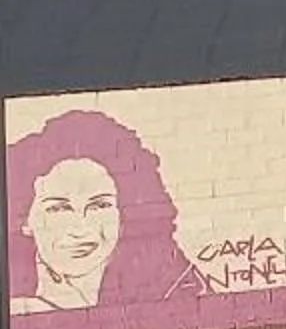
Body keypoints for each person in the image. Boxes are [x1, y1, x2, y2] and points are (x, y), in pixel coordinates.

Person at [5, 111, 196, 314]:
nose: (80, 229)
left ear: (123, 216)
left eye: (99, 206)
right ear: (25, 220)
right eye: (58, 209)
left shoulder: (170, 281)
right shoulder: (15, 303)